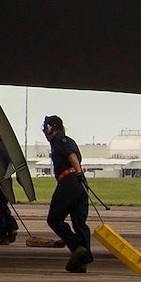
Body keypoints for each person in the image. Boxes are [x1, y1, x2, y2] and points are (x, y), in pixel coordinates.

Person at [42, 115, 93, 273]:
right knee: (79, 223)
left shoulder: (60, 140)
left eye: (45, 128)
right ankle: (82, 261)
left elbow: (72, 156)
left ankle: (77, 248)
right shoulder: (67, 140)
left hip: (69, 181)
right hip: (79, 184)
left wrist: (77, 173)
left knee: (54, 219)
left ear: (50, 129)